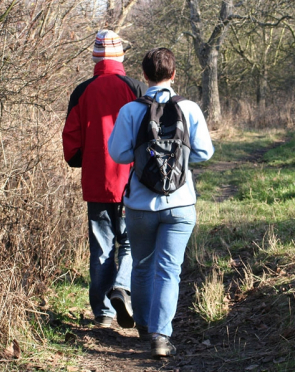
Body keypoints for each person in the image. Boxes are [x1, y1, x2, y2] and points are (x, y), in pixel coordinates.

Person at [108, 48, 214, 358]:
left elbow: (118, 154)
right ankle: (161, 336)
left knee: (141, 266)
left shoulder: (131, 110)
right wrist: (178, 160)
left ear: (143, 76)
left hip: (140, 204)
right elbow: (205, 153)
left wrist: (146, 158)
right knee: (169, 270)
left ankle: (142, 325)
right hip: (180, 203)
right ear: (174, 74)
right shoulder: (190, 108)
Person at [62, 30, 146, 329]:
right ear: (121, 57)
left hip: (96, 180)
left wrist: (78, 160)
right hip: (130, 182)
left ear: (96, 58)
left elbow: (71, 137)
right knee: (129, 244)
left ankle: (103, 313)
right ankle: (122, 288)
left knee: (100, 246)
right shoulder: (135, 88)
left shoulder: (82, 91)